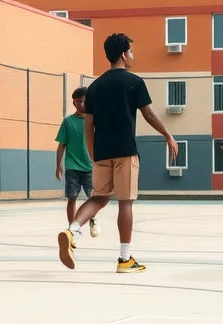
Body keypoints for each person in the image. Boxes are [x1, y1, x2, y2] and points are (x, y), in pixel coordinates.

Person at [57, 33, 177, 274]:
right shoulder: (133, 82)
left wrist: (93, 153)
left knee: (98, 199)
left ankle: (73, 230)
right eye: (130, 51)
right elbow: (149, 115)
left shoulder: (95, 87)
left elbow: (88, 126)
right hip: (125, 152)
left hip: (101, 153)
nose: (132, 56)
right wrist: (167, 135)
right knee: (125, 202)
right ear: (124, 54)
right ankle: (125, 258)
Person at [55, 86, 100, 238]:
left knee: (93, 197)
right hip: (72, 167)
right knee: (72, 197)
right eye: (77, 102)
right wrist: (58, 166)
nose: (81, 105)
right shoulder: (68, 121)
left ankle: (92, 218)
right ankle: (71, 229)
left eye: (83, 101)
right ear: (74, 103)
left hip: (89, 166)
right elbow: (61, 145)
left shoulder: (94, 120)